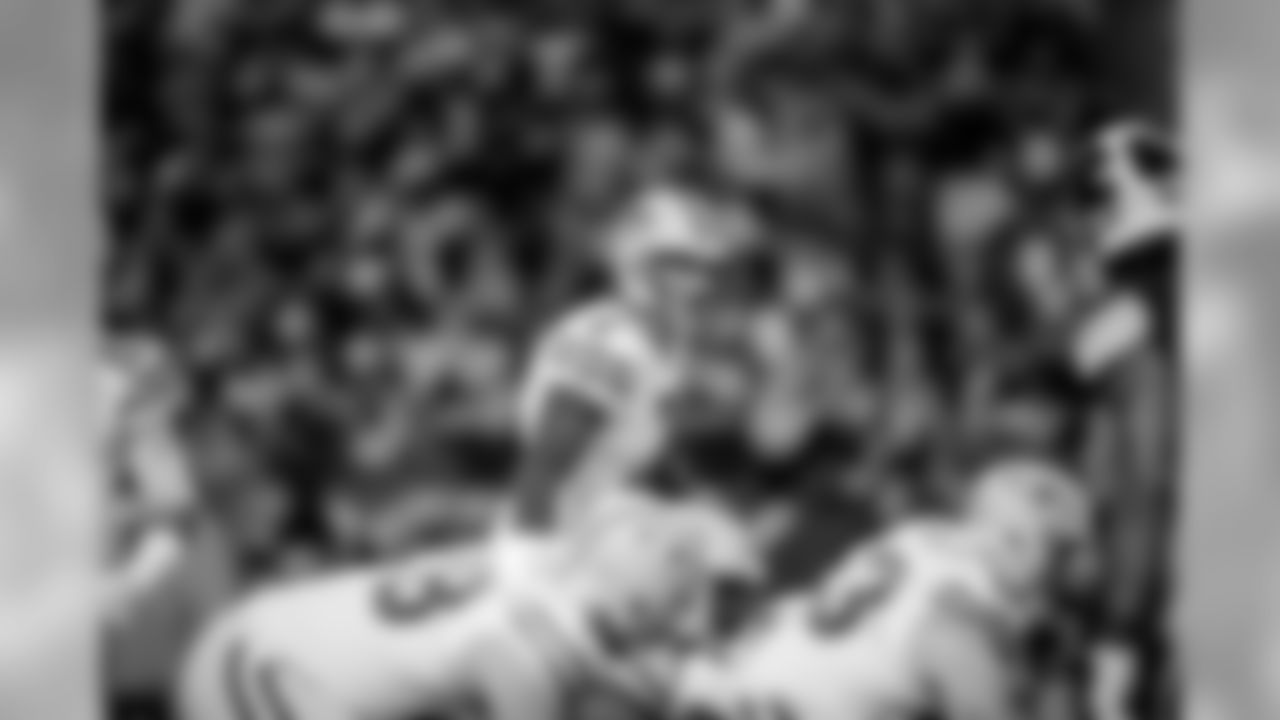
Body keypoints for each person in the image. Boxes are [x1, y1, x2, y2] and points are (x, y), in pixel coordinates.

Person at [176, 493, 764, 720]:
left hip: (260, 631)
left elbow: (432, 507)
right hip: (257, 679)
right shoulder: (545, 651)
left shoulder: (560, 557)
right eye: (721, 603)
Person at [673, 457, 1092, 720]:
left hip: (728, 677)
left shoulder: (922, 534)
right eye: (1058, 553)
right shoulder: (962, 623)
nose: (1065, 571)